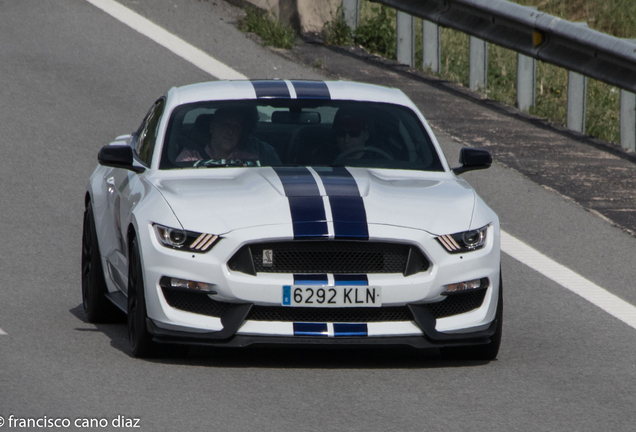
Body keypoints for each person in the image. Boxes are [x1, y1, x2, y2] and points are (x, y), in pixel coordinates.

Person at [177, 106, 281, 166]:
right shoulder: (189, 158)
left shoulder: (250, 160)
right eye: (226, 125)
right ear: (212, 127)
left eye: (236, 128)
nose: (230, 132)